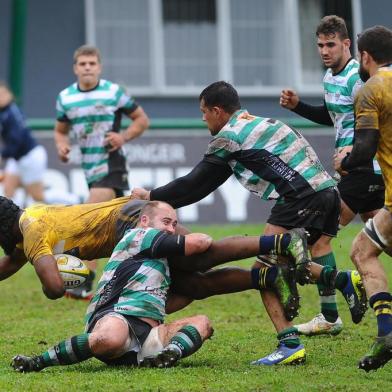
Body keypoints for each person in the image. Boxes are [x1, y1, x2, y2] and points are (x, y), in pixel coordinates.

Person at [132, 81, 367, 364]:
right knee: (285, 260)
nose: (203, 118)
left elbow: (194, 185)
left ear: (218, 111)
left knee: (263, 271)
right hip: (328, 193)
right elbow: (207, 183)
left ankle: (289, 345)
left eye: (204, 111)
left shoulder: (229, 136)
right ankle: (341, 279)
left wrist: (151, 196)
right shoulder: (259, 122)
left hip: (298, 199)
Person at [11, 201, 215, 372]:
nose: (172, 229)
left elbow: (166, 305)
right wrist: (200, 240)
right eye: (167, 222)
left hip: (147, 338)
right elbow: (200, 242)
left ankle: (169, 354)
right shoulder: (139, 236)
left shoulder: (160, 265)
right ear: (144, 221)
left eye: (175, 224)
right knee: (112, 338)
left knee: (202, 322)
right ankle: (37, 361)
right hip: (114, 318)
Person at [280, 15, 384, 336]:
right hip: (360, 173)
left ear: (347, 44)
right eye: (320, 45)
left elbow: (377, 117)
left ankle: (329, 316)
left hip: (363, 170)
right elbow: (333, 114)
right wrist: (299, 106)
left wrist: (353, 157)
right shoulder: (329, 77)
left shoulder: (360, 77)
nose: (325, 51)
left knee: (318, 238)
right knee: (382, 240)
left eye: (331, 44)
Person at [54, 45, 150, 299]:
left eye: (92, 63)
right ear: (75, 68)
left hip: (111, 163)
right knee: (112, 226)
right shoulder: (66, 97)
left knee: (87, 217)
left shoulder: (113, 92)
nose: (87, 67)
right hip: (90, 168)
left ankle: (82, 280)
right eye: (82, 64)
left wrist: (123, 136)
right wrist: (62, 146)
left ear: (99, 67)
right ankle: (140, 271)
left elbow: (142, 120)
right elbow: (61, 130)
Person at [334, 25, 392, 372]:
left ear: (365, 57)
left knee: (360, 251)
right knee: (366, 247)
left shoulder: (371, 89)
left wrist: (346, 160)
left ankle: (387, 333)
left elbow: (366, 147)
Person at [0, 82, 80, 206]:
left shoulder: (11, 113)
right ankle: (11, 220)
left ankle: (73, 199)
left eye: (2, 93)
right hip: (17, 159)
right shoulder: (5, 113)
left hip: (30, 156)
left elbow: (16, 140)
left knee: (38, 196)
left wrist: (3, 154)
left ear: (9, 94)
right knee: (8, 190)